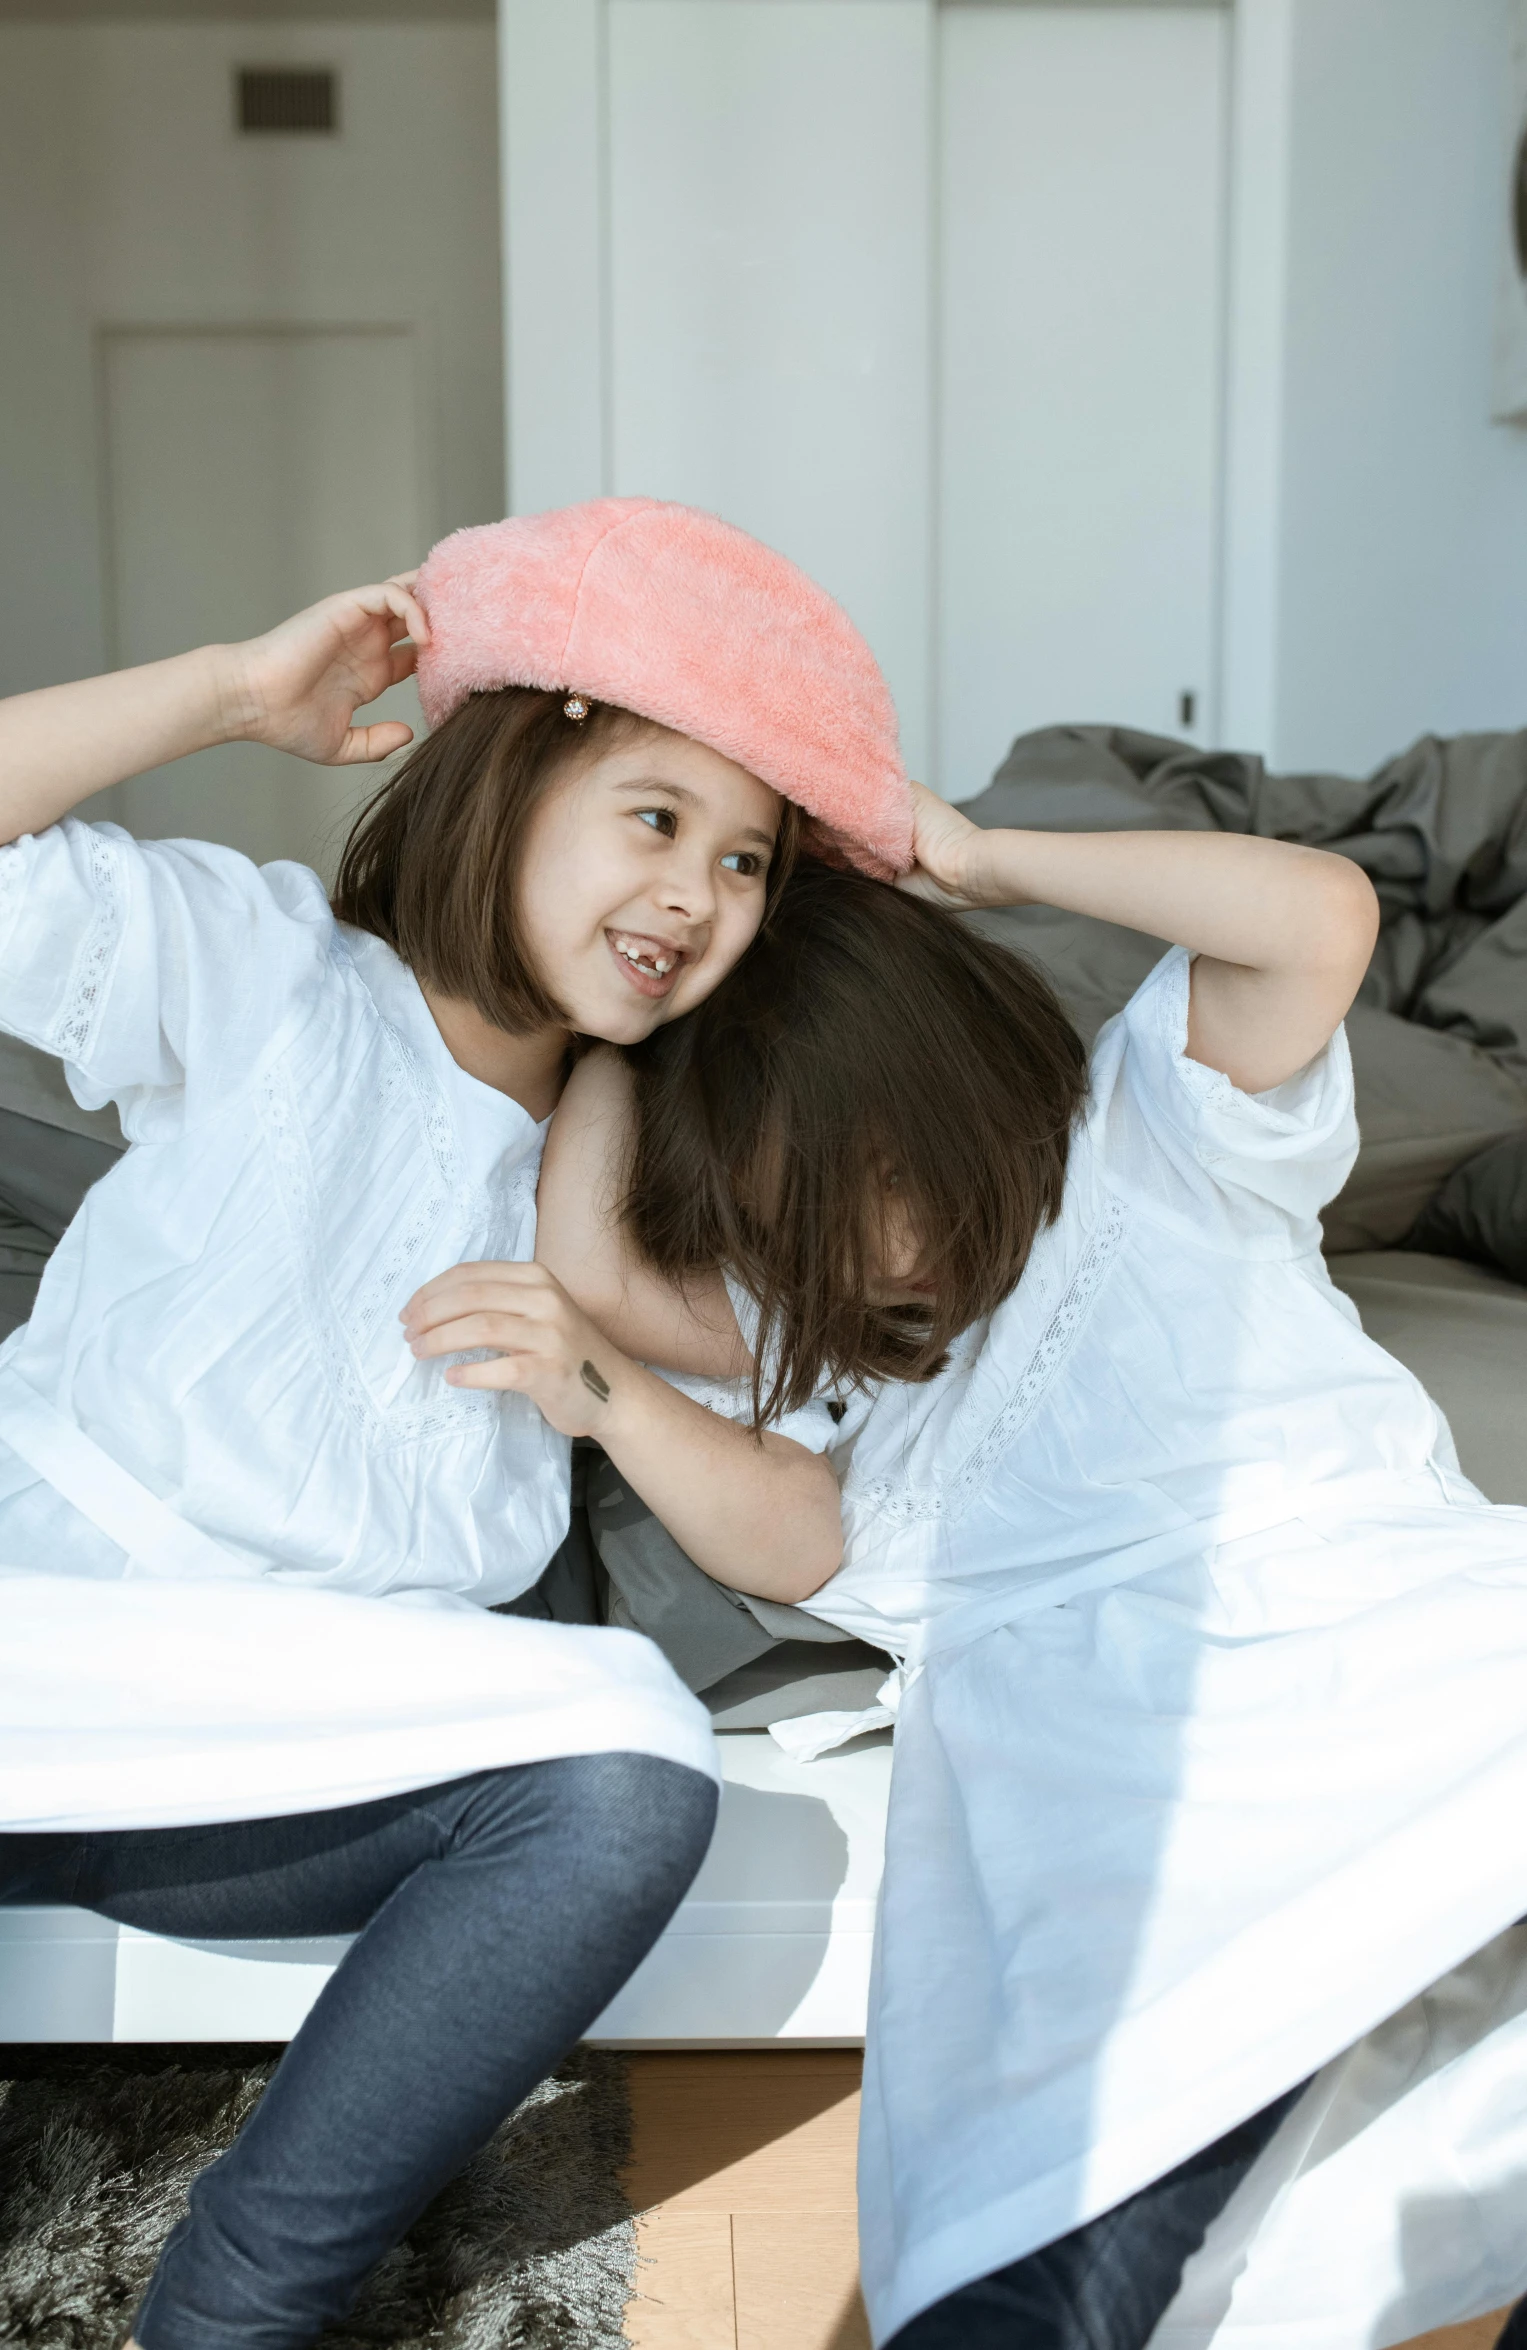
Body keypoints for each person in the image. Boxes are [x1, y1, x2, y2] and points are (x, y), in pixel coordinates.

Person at [0, 496, 913, 2348]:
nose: (692, 900)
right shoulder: (269, 979)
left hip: (299, 1740)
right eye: (657, 819)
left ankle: (233, 2305)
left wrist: (603, 1382)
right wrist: (233, 691)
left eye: (746, 868)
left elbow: (803, 1531)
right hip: (24, 1649)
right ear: (510, 782)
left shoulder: (648, 1182)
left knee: (633, 1757)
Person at [532, 797, 1527, 2349]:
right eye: (794, 1231)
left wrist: (974, 854)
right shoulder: (833, 1374)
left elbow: (1319, 917)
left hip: (1403, 1656)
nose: (875, 1259)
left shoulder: (1150, 1132)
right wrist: (636, 1003)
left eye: (883, 1179)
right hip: (1114, 1806)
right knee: (1030, 2257)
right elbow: (601, 1284)